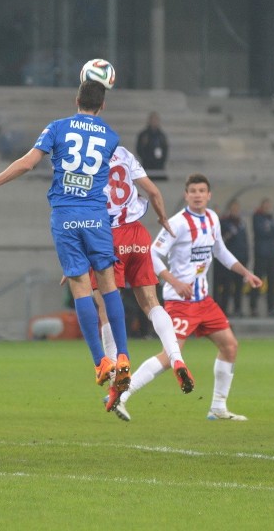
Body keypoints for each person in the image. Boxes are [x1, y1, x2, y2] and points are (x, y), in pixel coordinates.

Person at [0, 78, 132, 396]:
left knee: (81, 285)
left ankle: (101, 362)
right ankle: (122, 355)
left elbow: (27, 164)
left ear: (75, 99)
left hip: (66, 215)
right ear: (103, 105)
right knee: (107, 284)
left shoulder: (57, 127)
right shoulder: (111, 136)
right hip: (96, 216)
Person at [112, 173, 263, 422]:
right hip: (180, 302)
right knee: (169, 357)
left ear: (209, 195)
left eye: (202, 190)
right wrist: (174, 281)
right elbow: (152, 254)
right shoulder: (178, 223)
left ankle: (217, 407)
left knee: (230, 346)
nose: (197, 195)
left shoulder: (213, 218)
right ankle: (120, 395)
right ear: (186, 195)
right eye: (193, 191)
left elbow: (220, 251)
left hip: (203, 300)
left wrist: (245, 273)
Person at [89, 145, 192, 412]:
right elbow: (154, 192)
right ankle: (176, 357)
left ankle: (114, 377)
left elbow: (81, 211)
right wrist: (162, 218)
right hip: (137, 233)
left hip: (108, 236)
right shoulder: (122, 153)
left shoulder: (84, 160)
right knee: (150, 302)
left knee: (104, 304)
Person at [249, 197, 274, 317]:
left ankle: (271, 308)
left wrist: (271, 229)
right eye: (265, 205)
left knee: (272, 282)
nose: (267, 208)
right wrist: (272, 230)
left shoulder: (272, 218)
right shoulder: (257, 217)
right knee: (258, 281)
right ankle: (253, 307)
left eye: (268, 205)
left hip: (272, 255)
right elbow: (261, 232)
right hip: (261, 254)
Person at [217, 199, 249, 317]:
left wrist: (246, 256)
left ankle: (238, 308)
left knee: (239, 285)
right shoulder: (224, 222)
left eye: (237, 208)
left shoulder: (241, 223)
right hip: (229, 260)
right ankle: (224, 309)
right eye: (234, 208)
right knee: (227, 285)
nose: (236, 211)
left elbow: (245, 240)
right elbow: (222, 240)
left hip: (241, 258)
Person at [135, 111, 168, 180]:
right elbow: (139, 149)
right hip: (146, 165)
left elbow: (165, 149)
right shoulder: (143, 135)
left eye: (156, 120)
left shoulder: (161, 136)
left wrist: (160, 160)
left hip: (159, 165)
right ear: (149, 121)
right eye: (153, 120)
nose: (154, 122)